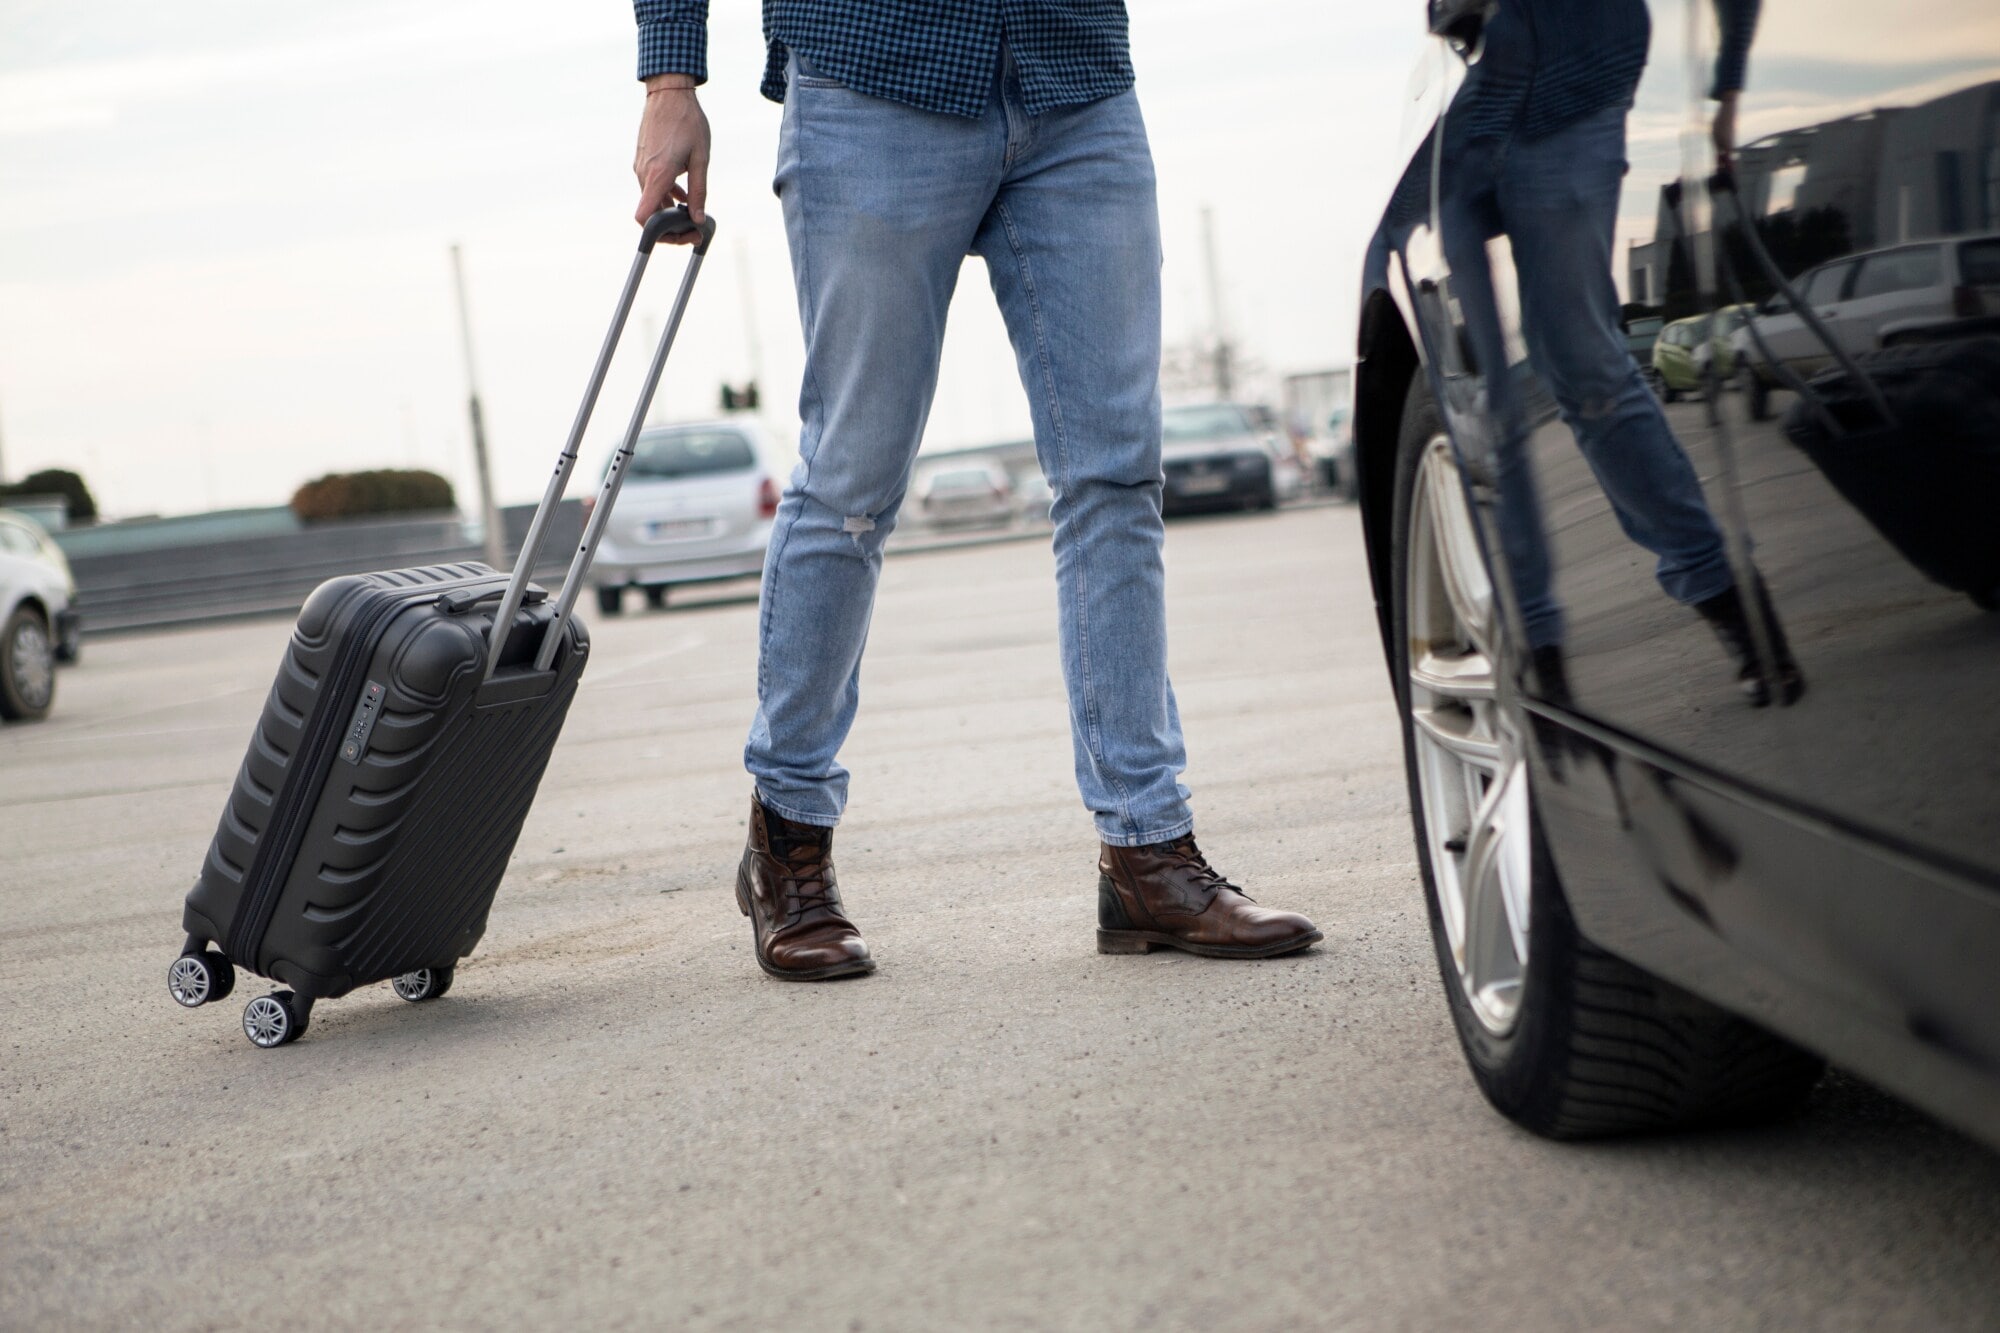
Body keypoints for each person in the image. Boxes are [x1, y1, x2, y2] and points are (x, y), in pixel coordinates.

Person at [629, 2, 1322, 979]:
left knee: (1115, 475)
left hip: (1072, 77)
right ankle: (787, 845)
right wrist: (671, 81)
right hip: (872, 72)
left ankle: (1144, 851)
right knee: (851, 486)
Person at [1435, 0, 1802, 706]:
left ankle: (1724, 588)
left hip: (1575, 81)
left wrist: (1726, 87)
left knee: (1581, 362)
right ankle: (1535, 651)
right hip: (1472, 97)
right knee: (1476, 387)